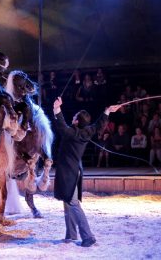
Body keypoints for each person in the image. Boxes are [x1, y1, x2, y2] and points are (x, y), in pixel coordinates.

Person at [52, 97, 120, 247]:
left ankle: (88, 236)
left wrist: (57, 108)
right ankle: (71, 235)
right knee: (68, 202)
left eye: (75, 117)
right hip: (74, 171)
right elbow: (99, 125)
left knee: (73, 203)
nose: (73, 118)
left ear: (76, 121)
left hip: (68, 173)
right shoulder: (88, 131)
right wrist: (107, 111)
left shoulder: (71, 133)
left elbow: (61, 125)